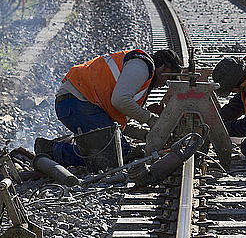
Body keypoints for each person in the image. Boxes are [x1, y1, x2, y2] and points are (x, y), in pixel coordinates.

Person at [34, 49, 183, 167]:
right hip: (76, 101)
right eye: (167, 78)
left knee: (117, 149)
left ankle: (64, 147)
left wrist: (145, 135)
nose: (165, 84)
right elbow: (120, 100)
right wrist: (150, 119)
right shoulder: (142, 65)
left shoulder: (141, 75)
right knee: (115, 155)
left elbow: (116, 124)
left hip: (80, 103)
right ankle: (52, 150)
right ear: (163, 67)